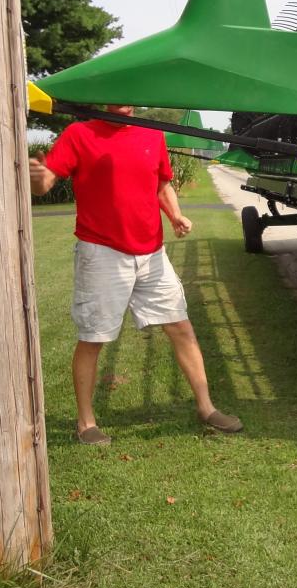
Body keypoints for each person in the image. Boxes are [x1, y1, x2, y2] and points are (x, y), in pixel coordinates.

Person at [28, 104, 242, 444]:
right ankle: (86, 423)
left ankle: (206, 407)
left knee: (181, 327)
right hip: (102, 252)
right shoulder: (80, 134)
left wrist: (175, 215)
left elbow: (161, 185)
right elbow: (46, 181)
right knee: (94, 337)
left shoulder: (151, 134)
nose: (122, 99)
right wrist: (38, 179)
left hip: (152, 253)